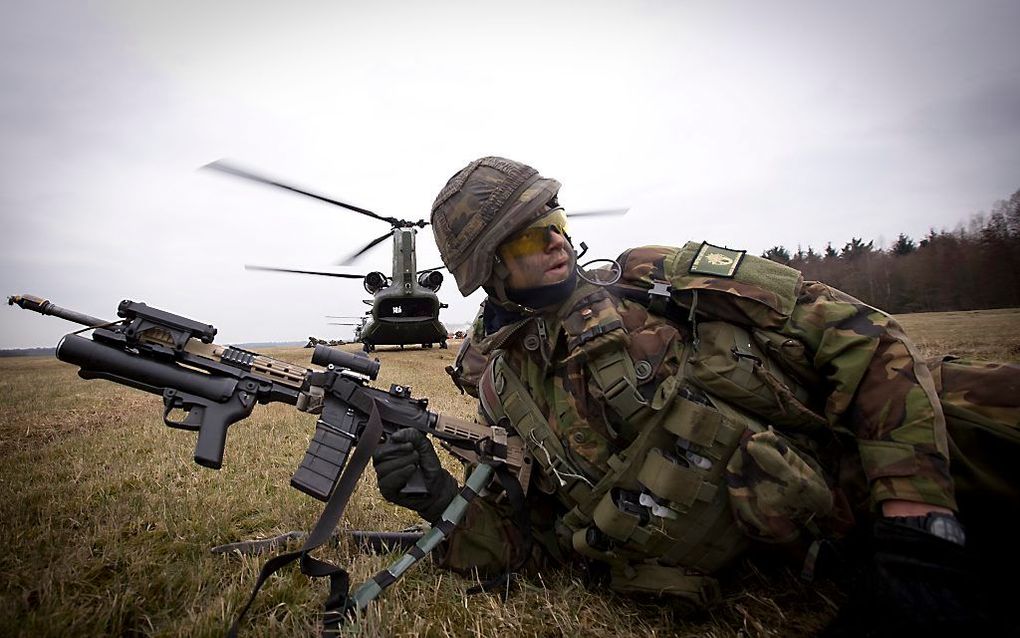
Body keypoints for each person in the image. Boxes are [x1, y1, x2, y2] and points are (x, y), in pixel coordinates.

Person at [372, 156, 1018, 635]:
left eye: (556, 221)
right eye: (526, 238)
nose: (557, 241)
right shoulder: (506, 389)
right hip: (823, 550)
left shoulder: (654, 279)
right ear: (488, 270)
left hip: (926, 447)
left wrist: (916, 524)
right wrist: (437, 498)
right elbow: (538, 548)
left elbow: (862, 336)